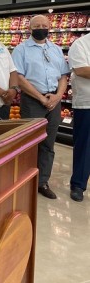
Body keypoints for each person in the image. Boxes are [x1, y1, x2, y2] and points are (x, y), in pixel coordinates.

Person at [12, 15, 69, 200]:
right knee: (29, 144)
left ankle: (43, 181)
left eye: (44, 25)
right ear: (30, 29)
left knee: (48, 144)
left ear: (49, 27)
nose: (41, 28)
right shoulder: (21, 50)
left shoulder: (56, 49)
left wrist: (58, 96)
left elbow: (63, 75)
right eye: (37, 26)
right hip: (32, 101)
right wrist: (40, 98)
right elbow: (19, 78)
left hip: (54, 100)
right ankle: (25, 180)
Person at [68, 32, 90, 202]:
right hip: (87, 103)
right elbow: (81, 69)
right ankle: (78, 185)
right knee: (84, 146)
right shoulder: (81, 44)